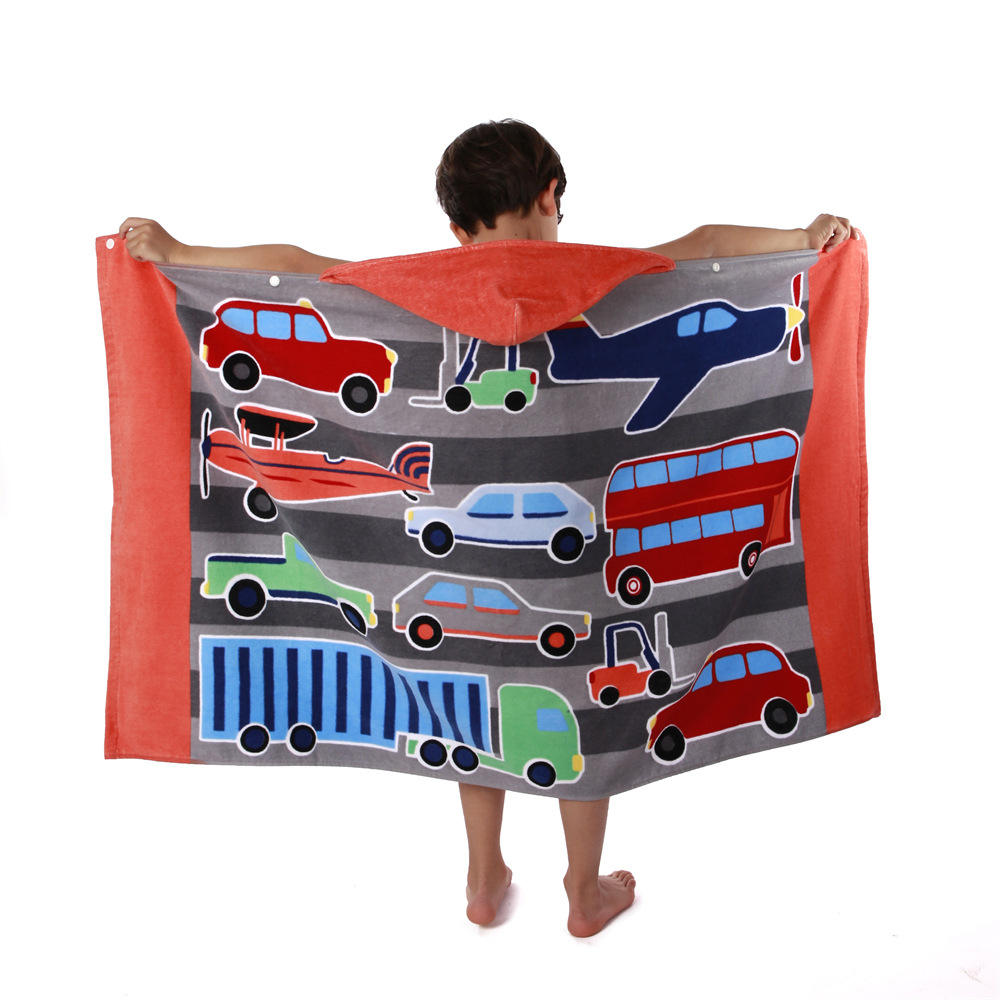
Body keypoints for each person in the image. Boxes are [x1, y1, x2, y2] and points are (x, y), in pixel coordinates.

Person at [119, 118, 857, 937]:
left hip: (467, 555)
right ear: (551, 195)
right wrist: (805, 238)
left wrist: (177, 249)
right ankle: (583, 891)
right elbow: (709, 242)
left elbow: (292, 264)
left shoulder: (414, 287)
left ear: (456, 227)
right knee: (586, 710)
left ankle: (482, 877)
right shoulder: (610, 277)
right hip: (580, 554)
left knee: (475, 688)